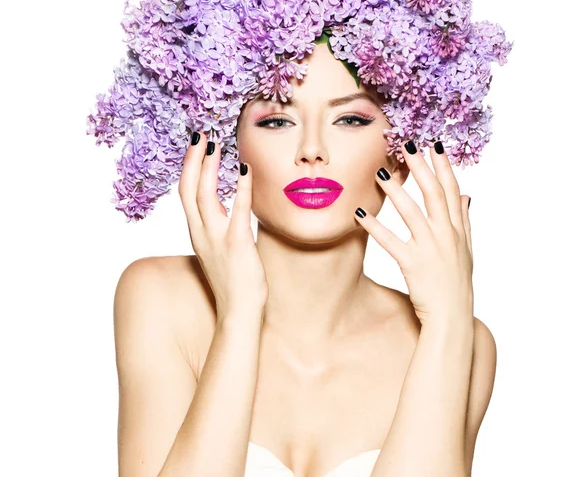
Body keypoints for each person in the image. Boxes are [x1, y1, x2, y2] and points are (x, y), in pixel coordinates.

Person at [113, 40, 497, 477]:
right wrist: (238, 315)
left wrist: (448, 321)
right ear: (228, 148)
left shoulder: (463, 341)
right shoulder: (161, 299)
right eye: (277, 120)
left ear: (400, 151)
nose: (312, 150)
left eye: (350, 119)